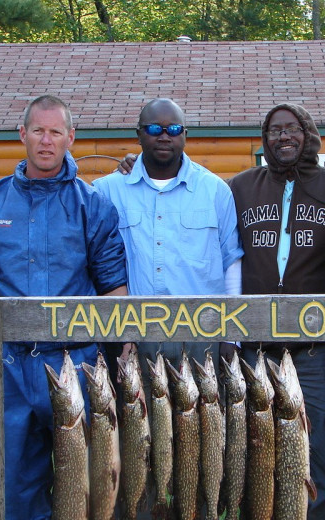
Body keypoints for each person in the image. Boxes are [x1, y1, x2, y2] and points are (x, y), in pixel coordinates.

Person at [0, 95, 128, 520]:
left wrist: (123, 351)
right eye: (38, 131)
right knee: (16, 489)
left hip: (78, 363)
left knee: (87, 486)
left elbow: (114, 289)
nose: (46, 141)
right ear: (22, 134)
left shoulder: (93, 206)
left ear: (70, 137)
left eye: (55, 132)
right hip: (10, 367)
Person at [228, 103, 325, 520]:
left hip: (316, 353)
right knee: (254, 456)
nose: (283, 136)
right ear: (265, 139)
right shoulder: (240, 188)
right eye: (274, 130)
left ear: (308, 133)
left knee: (319, 456)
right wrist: (134, 166)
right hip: (255, 352)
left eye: (292, 128)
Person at [93, 97, 243, 377]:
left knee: (203, 419)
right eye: (154, 129)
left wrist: (231, 336)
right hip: (132, 338)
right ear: (138, 134)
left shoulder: (215, 190)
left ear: (185, 135)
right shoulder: (106, 192)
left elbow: (231, 263)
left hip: (202, 336)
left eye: (173, 130)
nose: (164, 136)